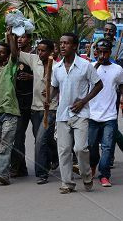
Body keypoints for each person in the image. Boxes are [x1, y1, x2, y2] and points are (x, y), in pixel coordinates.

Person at [47, 33, 103, 194]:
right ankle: (67, 183)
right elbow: (55, 87)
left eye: (66, 43)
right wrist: (49, 97)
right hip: (62, 114)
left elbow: (99, 85)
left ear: (75, 46)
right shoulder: (57, 67)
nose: (63, 46)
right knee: (63, 150)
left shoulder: (86, 66)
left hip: (81, 113)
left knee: (80, 148)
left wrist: (83, 101)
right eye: (61, 43)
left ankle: (86, 176)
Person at [18, 39, 59, 184]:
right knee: (42, 139)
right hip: (35, 108)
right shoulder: (34, 59)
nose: (39, 52)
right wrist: (10, 35)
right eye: (38, 50)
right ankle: (55, 156)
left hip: (51, 109)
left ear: (50, 52)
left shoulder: (58, 66)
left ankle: (42, 173)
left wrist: (51, 95)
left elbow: (60, 86)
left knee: (41, 140)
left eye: (43, 50)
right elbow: (15, 53)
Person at [88, 39, 123, 187]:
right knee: (91, 146)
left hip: (109, 115)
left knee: (108, 146)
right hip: (92, 114)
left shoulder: (117, 69)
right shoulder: (90, 67)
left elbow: (121, 85)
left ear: (110, 52)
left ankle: (104, 175)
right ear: (95, 52)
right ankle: (93, 165)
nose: (102, 55)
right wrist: (97, 64)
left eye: (105, 52)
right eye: (99, 52)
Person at [0, 29, 20, 185]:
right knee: (3, 144)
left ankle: (1, 173)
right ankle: (8, 170)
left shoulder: (10, 67)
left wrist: (11, 38)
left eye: (1, 52)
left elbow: (14, 55)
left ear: (7, 56)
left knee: (5, 144)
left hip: (9, 111)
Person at [10, 33, 34, 178]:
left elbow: (48, 74)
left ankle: (52, 160)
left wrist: (32, 77)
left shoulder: (37, 54)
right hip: (20, 101)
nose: (19, 39)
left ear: (29, 39)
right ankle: (18, 167)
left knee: (42, 137)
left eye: (23, 37)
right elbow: (14, 54)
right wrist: (9, 36)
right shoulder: (16, 55)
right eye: (17, 37)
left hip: (36, 101)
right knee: (18, 136)